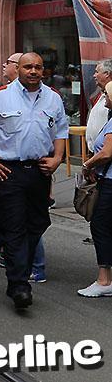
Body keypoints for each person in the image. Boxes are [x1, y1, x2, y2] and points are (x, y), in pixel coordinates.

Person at [0, 52, 68, 310]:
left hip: (39, 171)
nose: (34, 71)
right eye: (28, 67)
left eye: (38, 67)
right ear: (19, 69)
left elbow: (60, 129)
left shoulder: (53, 98)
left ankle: (15, 274)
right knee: (16, 226)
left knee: (37, 224)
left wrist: (58, 158)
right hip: (9, 171)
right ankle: (19, 285)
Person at [79, 81, 112, 297]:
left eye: (107, 95)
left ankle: (104, 280)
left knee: (101, 227)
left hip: (110, 182)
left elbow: (108, 152)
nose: (105, 98)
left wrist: (88, 164)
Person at [85, 59, 112, 149]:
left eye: (97, 72)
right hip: (96, 153)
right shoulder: (100, 95)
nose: (94, 75)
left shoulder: (110, 98)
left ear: (107, 74)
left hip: (105, 154)